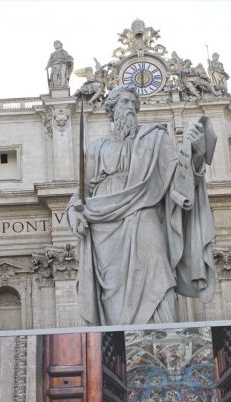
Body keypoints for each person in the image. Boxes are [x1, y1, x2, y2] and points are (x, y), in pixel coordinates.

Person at [67, 85, 216, 326]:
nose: (130, 108)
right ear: (112, 109)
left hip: (145, 215)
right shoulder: (95, 148)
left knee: (159, 274)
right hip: (105, 228)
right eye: (124, 102)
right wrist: (74, 213)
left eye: (133, 103)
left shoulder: (156, 139)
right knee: (112, 300)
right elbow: (82, 193)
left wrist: (195, 154)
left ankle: (164, 338)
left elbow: (177, 178)